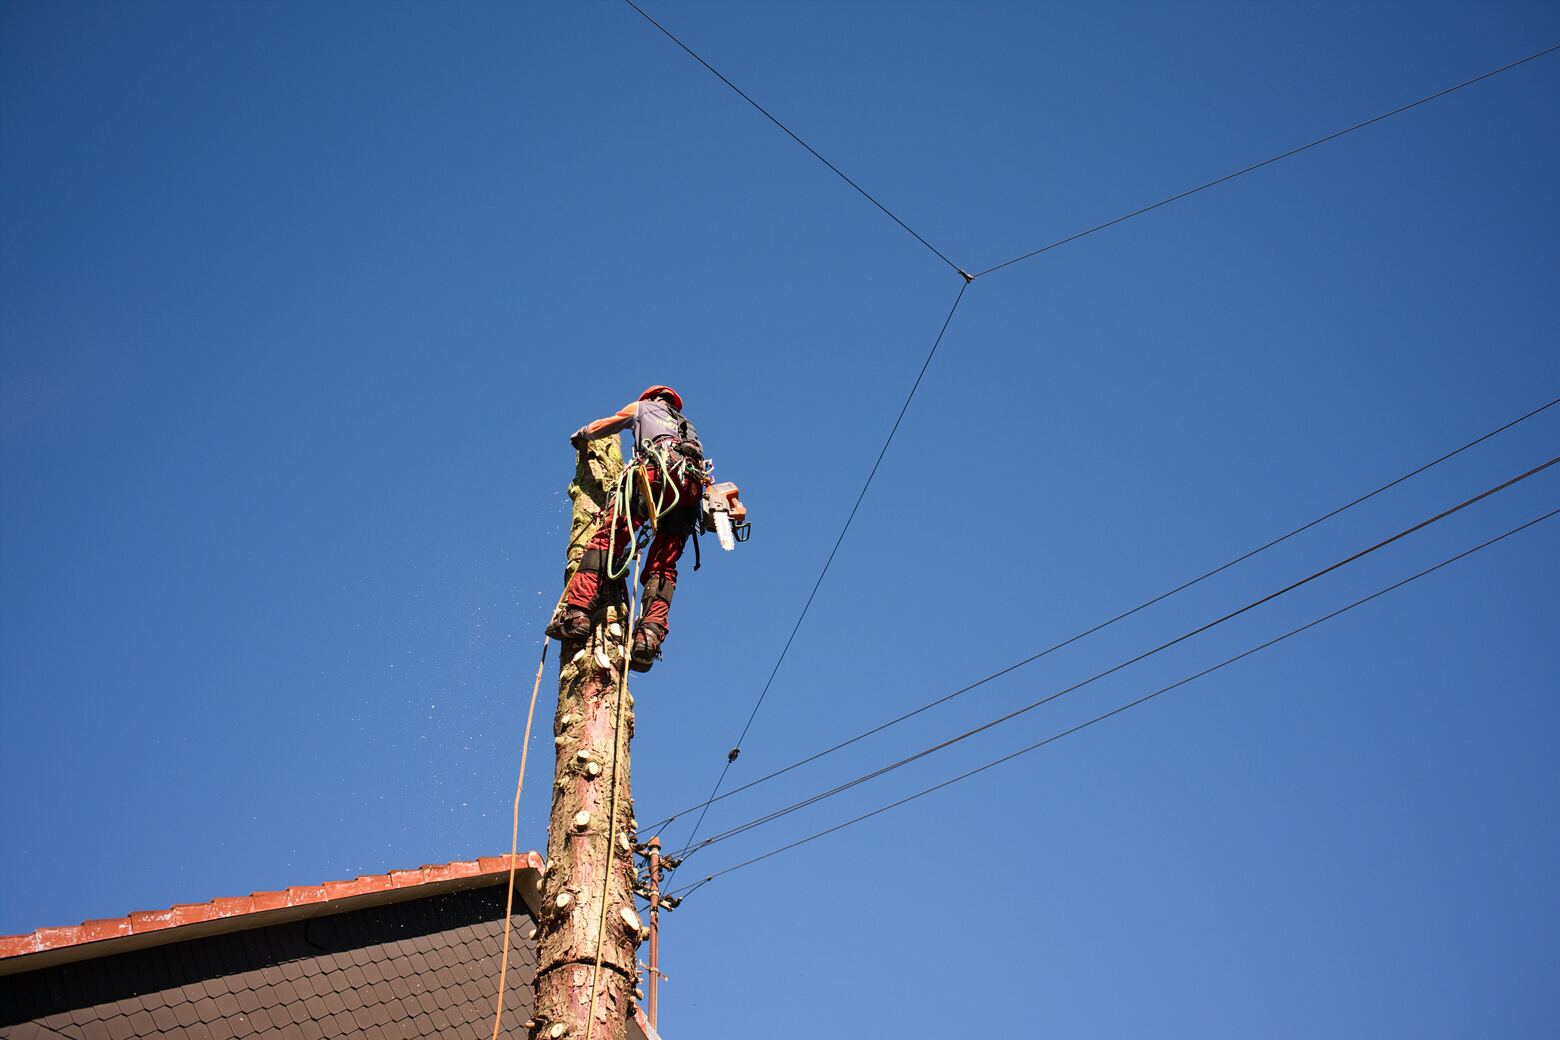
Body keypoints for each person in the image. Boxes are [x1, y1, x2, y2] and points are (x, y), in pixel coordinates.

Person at [547, 385, 704, 672]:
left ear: (650, 397)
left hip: (657, 474)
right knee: (663, 566)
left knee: (609, 537)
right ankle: (648, 639)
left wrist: (583, 435)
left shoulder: (643, 408)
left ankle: (577, 614)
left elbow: (608, 425)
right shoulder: (689, 428)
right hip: (690, 489)